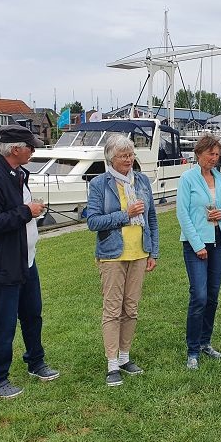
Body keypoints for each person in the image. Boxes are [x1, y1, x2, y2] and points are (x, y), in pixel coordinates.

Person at [0, 124, 60, 398]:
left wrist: (30, 211)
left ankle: (36, 362)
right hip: (2, 266)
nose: (33, 151)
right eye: (30, 147)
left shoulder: (19, 173)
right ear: (14, 149)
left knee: (33, 315)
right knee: (4, 324)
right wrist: (26, 211)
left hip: (26, 260)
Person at [86, 134, 158, 387]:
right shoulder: (99, 184)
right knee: (113, 309)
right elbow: (93, 222)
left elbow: (151, 219)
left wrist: (153, 252)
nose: (129, 160)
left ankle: (125, 357)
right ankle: (112, 364)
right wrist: (124, 214)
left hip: (139, 253)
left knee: (131, 308)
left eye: (131, 155)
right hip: (112, 255)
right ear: (111, 159)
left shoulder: (142, 181)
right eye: (123, 156)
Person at [176, 134, 221, 370]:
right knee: (199, 295)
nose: (214, 158)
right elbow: (182, 214)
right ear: (199, 154)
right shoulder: (187, 179)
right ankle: (192, 350)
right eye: (211, 154)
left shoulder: (219, 179)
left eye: (217, 154)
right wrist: (197, 244)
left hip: (219, 241)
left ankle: (205, 342)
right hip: (196, 244)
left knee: (212, 296)